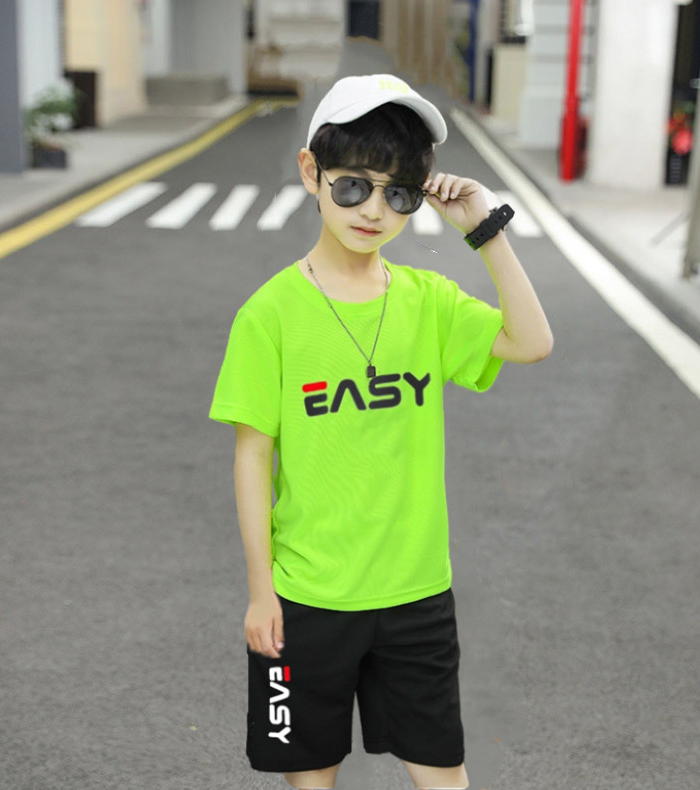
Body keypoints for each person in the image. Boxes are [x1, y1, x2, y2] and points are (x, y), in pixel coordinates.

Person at [209, 73, 553, 790]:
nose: (374, 210)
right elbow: (251, 459)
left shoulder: (428, 302)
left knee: (443, 775)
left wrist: (484, 229)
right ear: (311, 172)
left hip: (415, 593)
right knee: (310, 775)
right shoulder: (268, 315)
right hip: (308, 597)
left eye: (399, 194)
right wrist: (261, 592)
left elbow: (532, 341)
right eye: (353, 186)